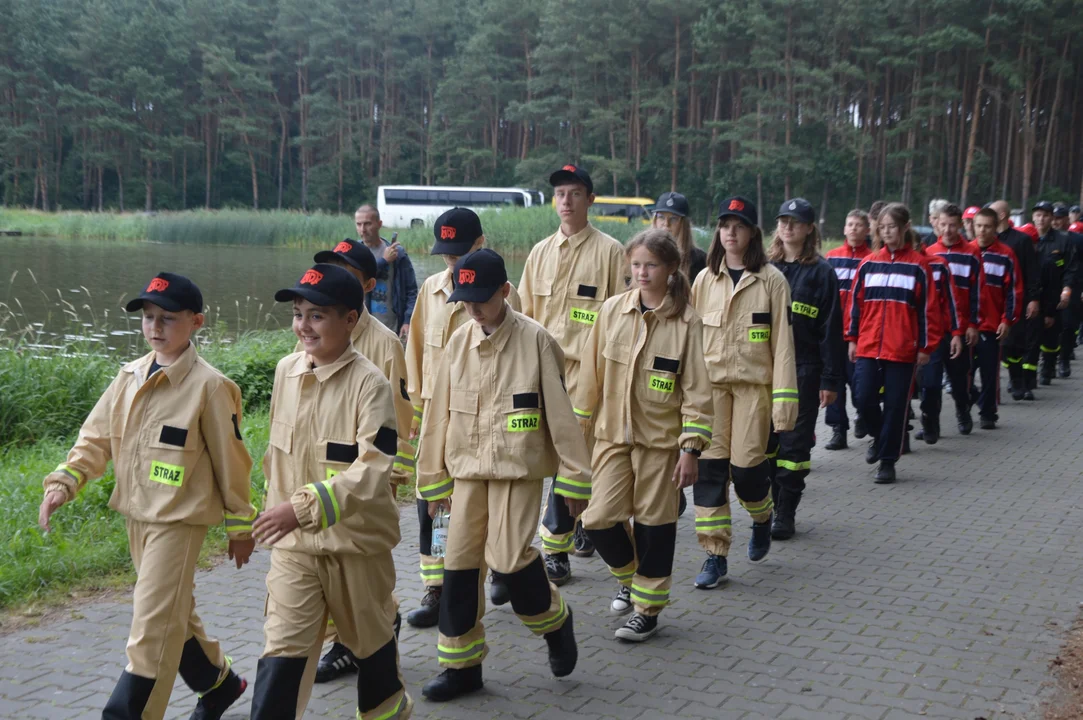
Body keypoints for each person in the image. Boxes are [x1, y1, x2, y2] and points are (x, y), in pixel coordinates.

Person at [38, 273, 255, 720]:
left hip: (180, 522)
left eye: (168, 319)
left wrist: (241, 523)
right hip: (137, 515)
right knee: (175, 612)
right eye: (148, 317)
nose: (155, 327)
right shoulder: (129, 376)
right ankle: (219, 684)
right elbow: (95, 438)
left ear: (197, 322)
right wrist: (64, 482)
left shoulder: (211, 387)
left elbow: (233, 460)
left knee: (152, 627)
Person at [417, 249, 589, 701]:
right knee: (457, 567)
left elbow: (562, 415)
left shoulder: (535, 341)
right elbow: (436, 414)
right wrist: (431, 479)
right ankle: (461, 667)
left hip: (518, 469)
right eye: (464, 299)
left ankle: (554, 621)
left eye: (481, 298)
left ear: (505, 291)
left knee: (510, 560)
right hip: (466, 473)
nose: (472, 308)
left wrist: (574, 477)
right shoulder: (459, 343)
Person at [250, 264, 411, 720]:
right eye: (298, 313)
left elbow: (373, 468)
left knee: (373, 655)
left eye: (317, 315)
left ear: (351, 320)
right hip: (295, 549)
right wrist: (262, 515)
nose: (303, 325)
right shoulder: (286, 372)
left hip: (355, 547)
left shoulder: (370, 385)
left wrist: (301, 508)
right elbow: (275, 458)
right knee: (282, 652)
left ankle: (392, 712)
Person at [574, 229, 712, 641]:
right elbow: (588, 381)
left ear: (671, 269)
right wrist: (576, 439)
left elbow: (698, 394)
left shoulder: (687, 323)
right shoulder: (613, 311)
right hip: (612, 438)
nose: (642, 272)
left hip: (660, 445)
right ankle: (629, 578)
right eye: (636, 264)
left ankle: (648, 611)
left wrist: (690, 449)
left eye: (651, 265)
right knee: (597, 520)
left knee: (655, 525)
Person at [404, 208, 522, 626]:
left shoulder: (504, 295)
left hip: (484, 423)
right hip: (439, 421)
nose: (452, 264)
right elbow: (415, 352)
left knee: (486, 507)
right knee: (434, 506)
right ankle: (437, 590)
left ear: (480, 244)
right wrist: (416, 409)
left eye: (460, 254)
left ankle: (505, 568)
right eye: (446, 255)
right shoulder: (432, 293)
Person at [304, 241, 412, 683]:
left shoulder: (382, 345)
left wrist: (393, 476)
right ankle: (346, 640)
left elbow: (399, 420)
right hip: (317, 478)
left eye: (345, 271)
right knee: (322, 569)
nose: (334, 277)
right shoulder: (312, 332)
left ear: (368, 285)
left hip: (362, 480)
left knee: (361, 575)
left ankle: (373, 634)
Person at [519, 164, 627, 585]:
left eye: (575, 193)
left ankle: (555, 549)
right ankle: (579, 521)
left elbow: (621, 319)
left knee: (573, 457)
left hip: (588, 375)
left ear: (590, 199)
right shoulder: (539, 253)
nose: (566, 201)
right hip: (542, 371)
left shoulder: (611, 252)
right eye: (561, 193)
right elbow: (523, 316)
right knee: (545, 454)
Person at [689, 196, 797, 589]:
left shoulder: (771, 280)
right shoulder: (704, 280)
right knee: (710, 472)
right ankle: (714, 556)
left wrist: (785, 403)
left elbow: (783, 343)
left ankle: (762, 517)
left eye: (738, 225)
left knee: (749, 471)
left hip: (754, 389)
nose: (730, 232)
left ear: (752, 231)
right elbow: (690, 342)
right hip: (711, 391)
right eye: (724, 225)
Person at [847, 203, 941, 484]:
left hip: (902, 348)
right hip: (868, 345)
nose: (887, 232)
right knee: (862, 399)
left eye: (892, 227)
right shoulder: (868, 263)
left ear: (904, 228)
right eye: (882, 227)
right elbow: (855, 306)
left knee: (896, 405)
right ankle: (879, 436)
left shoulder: (918, 265)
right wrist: (852, 339)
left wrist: (925, 346)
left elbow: (929, 309)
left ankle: (888, 462)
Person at [765, 199, 843, 540]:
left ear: (810, 228)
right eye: (783, 220)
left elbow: (831, 330)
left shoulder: (822, 273)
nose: (788, 226)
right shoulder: (766, 268)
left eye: (796, 222)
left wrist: (830, 379)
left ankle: (786, 510)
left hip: (804, 369)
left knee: (794, 447)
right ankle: (767, 502)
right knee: (764, 442)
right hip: (764, 369)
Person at [925, 204, 983, 437]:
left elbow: (978, 292)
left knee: (959, 378)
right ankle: (931, 423)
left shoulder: (972, 253)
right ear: (936, 224)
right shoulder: (929, 253)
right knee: (930, 380)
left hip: (959, 327)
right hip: (935, 329)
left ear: (960, 225)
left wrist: (972, 324)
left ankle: (963, 408)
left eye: (952, 225)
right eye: (943, 224)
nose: (948, 230)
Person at [824, 210, 874, 450]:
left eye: (858, 225)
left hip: (862, 335)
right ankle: (838, 430)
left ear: (867, 231)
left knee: (860, 385)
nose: (853, 229)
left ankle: (863, 415)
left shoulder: (873, 259)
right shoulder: (831, 258)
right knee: (834, 384)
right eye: (849, 224)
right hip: (834, 334)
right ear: (844, 229)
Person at [970, 208, 1023, 429]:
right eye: (979, 226)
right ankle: (968, 403)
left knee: (989, 372)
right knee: (961, 375)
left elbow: (1013, 291)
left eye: (987, 226)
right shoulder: (966, 251)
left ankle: (988, 413)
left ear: (995, 228)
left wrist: (1006, 319)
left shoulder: (1006, 254)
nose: (982, 231)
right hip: (965, 327)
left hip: (992, 325)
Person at [989, 200, 1042, 400]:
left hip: (1017, 299)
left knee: (1014, 342)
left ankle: (1017, 379)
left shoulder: (1021, 241)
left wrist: (1033, 298)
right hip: (992, 300)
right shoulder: (988, 239)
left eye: (992, 213)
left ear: (1002, 215)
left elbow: (1032, 271)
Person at [1029, 201, 1078, 385]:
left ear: (1052, 218)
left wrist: (1067, 290)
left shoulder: (1062, 240)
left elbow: (1070, 269)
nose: (1041, 219)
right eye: (1038, 215)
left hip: (1055, 297)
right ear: (1033, 217)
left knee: (1052, 334)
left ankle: (1048, 367)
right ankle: (1027, 377)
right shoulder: (1027, 239)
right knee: (1030, 338)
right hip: (1032, 296)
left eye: (1046, 215)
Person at [355, 204, 418, 340]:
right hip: (360, 326)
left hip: (391, 327)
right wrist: (384, 261)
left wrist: (407, 320)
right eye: (358, 224)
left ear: (379, 224)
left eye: (367, 224)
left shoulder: (398, 254)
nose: (362, 230)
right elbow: (359, 280)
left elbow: (411, 290)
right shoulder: (354, 253)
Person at [1053, 203, 1083, 373]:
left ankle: (1064, 359)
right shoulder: (1048, 239)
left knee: (1069, 325)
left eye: (1059, 218)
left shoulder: (1077, 240)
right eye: (1054, 218)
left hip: (1073, 287)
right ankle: (1049, 361)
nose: (1056, 222)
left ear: (1066, 219)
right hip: (1051, 288)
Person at [652, 191, 708, 282]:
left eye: (673, 219)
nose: (666, 224)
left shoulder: (699, 260)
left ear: (684, 224)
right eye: (661, 217)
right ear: (655, 220)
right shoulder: (644, 253)